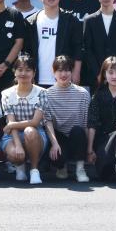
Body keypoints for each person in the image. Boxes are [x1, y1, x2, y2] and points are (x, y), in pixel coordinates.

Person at [24, 0, 83, 87]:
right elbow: (27, 51)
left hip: (63, 78)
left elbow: (78, 48)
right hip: (37, 79)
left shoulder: (70, 20)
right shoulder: (31, 21)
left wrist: (76, 72)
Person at [0, 57, 49, 185]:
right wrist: (18, 145)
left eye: (28, 70)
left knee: (29, 131)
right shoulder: (6, 94)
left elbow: (35, 122)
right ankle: (20, 166)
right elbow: (11, 121)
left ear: (34, 72)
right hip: (13, 134)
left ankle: (34, 170)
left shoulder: (42, 92)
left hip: (35, 133)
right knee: (15, 154)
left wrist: (12, 124)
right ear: (14, 71)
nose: (23, 73)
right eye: (20, 69)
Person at [43, 55, 91, 183]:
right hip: (59, 138)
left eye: (67, 70)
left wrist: (88, 149)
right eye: (59, 70)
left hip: (77, 137)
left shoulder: (83, 93)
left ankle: (80, 169)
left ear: (72, 71)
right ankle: (61, 167)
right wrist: (54, 144)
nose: (63, 74)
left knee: (78, 131)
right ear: (53, 72)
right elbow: (47, 122)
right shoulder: (46, 94)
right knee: (55, 147)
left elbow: (86, 122)